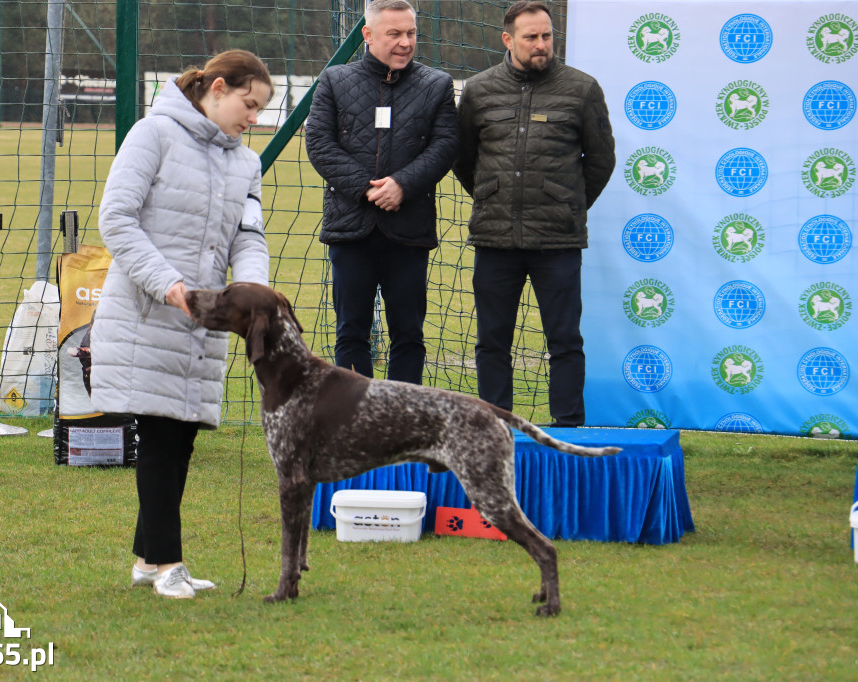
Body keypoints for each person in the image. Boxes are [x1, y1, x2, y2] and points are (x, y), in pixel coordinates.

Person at [90, 50, 272, 599]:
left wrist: (253, 294)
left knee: (184, 434)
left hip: (206, 320)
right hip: (150, 313)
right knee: (162, 437)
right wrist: (169, 286)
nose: (254, 118)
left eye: (261, 110)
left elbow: (249, 236)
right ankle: (168, 562)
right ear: (217, 87)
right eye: (249, 104)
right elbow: (116, 220)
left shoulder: (247, 164)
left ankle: (150, 560)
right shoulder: (153, 135)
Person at [453, 1, 615, 427]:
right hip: (494, 240)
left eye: (547, 36)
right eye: (531, 37)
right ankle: (496, 427)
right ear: (508, 40)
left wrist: (566, 203)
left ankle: (568, 426)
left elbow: (601, 162)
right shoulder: (478, 90)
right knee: (492, 342)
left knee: (564, 340)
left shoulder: (583, 89)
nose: (541, 44)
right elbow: (463, 159)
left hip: (557, 242)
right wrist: (493, 197)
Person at [305, 0, 459, 385]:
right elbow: (319, 143)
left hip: (409, 230)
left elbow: (444, 146)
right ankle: (354, 422)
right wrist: (366, 189)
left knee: (408, 334)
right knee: (351, 332)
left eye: (410, 33)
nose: (405, 42)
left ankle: (403, 422)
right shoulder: (335, 80)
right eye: (395, 34)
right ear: (368, 35)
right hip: (350, 229)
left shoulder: (437, 85)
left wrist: (402, 185)